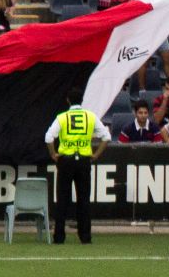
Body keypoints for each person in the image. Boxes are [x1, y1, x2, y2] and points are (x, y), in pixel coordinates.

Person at [44, 100, 110, 244]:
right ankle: (85, 237)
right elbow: (106, 137)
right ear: (81, 101)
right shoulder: (90, 116)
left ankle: (59, 237)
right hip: (84, 161)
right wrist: (96, 154)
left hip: (66, 161)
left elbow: (48, 137)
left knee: (62, 199)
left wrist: (53, 154)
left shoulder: (62, 117)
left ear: (68, 100)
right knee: (84, 199)